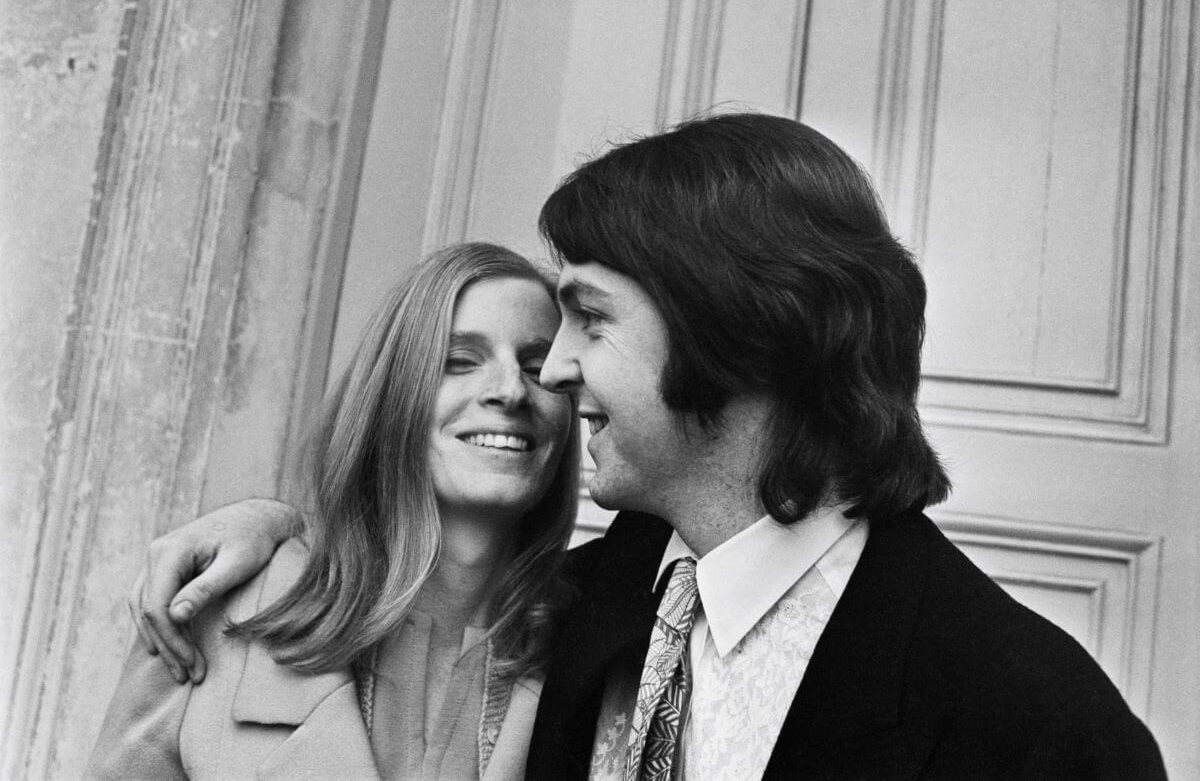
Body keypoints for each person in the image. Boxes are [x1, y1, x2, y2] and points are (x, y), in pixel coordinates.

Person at [128, 114, 1165, 779]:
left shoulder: (1032, 718)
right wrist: (273, 534)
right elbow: (403, 598)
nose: (554, 371)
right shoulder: (581, 606)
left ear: (734, 326)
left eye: (589, 317)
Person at [88, 242, 581, 779]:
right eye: (459, 362)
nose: (511, 391)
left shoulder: (599, 646)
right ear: (392, 396)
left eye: (538, 369)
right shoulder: (219, 608)